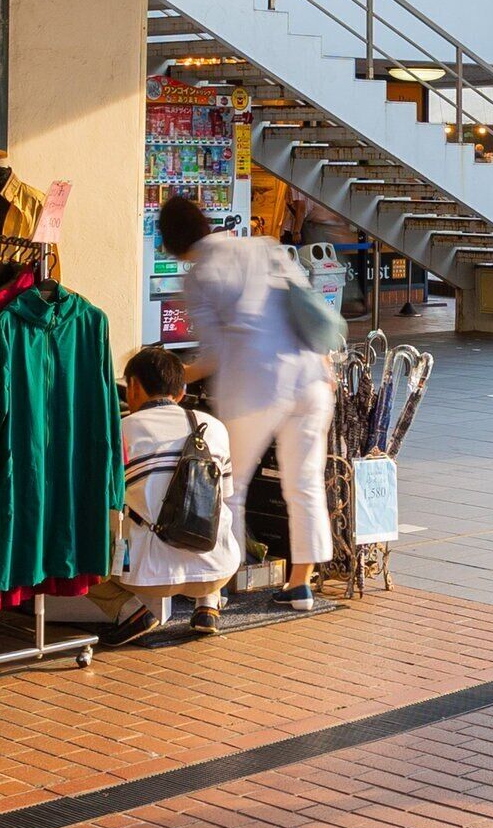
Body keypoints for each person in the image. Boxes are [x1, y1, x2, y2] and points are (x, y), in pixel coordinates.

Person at [157, 191, 336, 609]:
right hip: (310, 377)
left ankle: (219, 586)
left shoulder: (200, 275)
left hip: (256, 386)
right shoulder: (263, 247)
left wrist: (170, 375)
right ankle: (300, 585)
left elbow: (216, 354)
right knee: (305, 483)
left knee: (230, 485)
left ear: (171, 242)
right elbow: (308, 307)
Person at [102, 345, 238, 642]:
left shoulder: (121, 430)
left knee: (72, 549)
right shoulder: (214, 427)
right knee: (208, 510)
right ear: (181, 391)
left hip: (141, 577)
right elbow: (224, 496)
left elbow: (104, 500)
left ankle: (130, 611)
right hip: (218, 570)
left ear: (133, 386)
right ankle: (208, 606)